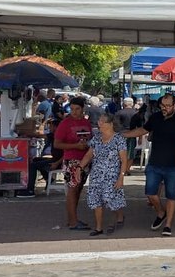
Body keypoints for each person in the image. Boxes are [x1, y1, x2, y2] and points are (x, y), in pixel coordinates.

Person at [122, 93, 175, 237]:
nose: (164, 108)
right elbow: (143, 130)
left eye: (168, 106)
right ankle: (161, 212)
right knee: (150, 193)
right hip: (155, 163)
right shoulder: (155, 117)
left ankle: (168, 225)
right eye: (162, 105)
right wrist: (125, 134)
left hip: (173, 165)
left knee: (171, 195)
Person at [79, 113, 128, 236]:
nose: (99, 124)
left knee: (110, 200)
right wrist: (80, 167)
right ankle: (99, 227)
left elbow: (124, 160)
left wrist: (121, 177)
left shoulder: (118, 139)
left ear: (110, 124)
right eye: (99, 121)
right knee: (96, 201)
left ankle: (120, 217)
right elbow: (89, 155)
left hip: (112, 175)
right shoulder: (96, 138)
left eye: (102, 122)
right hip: (96, 175)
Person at [55, 96, 93, 231]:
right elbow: (57, 144)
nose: (74, 112)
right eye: (72, 109)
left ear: (83, 109)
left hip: (85, 160)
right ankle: (73, 221)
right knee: (72, 189)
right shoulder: (65, 123)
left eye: (77, 109)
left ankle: (73, 218)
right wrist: (75, 146)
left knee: (78, 189)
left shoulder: (86, 123)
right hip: (72, 160)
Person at [114, 97, 139, 168]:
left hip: (120, 135)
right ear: (132, 104)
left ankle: (120, 168)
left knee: (119, 152)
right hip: (133, 134)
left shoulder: (119, 113)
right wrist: (140, 138)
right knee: (130, 154)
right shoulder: (136, 113)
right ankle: (127, 169)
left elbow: (115, 125)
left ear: (123, 104)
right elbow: (140, 126)